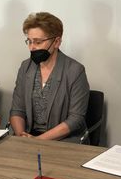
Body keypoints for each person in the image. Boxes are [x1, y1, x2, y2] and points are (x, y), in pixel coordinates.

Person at [9, 12, 90, 142]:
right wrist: (22, 137)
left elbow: (76, 119)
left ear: (56, 42)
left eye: (38, 42)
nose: (32, 47)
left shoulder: (75, 70)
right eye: (29, 41)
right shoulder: (25, 67)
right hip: (28, 137)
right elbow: (17, 110)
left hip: (63, 141)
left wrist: (38, 140)